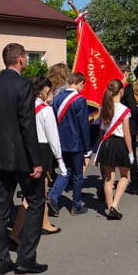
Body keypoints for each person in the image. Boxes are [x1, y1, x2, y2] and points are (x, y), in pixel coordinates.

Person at [0, 43, 46, 275]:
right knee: (36, 202)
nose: (26, 61)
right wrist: (36, 160)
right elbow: (27, 124)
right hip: (21, 155)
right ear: (20, 59)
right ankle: (26, 258)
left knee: (0, 207)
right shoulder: (23, 85)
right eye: (26, 58)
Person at [10, 77, 65, 240]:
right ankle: (15, 234)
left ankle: (45, 222)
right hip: (42, 149)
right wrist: (60, 160)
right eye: (49, 90)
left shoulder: (24, 107)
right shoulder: (46, 110)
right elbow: (53, 137)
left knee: (41, 189)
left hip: (26, 148)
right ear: (43, 90)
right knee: (34, 193)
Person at [47, 72, 91, 217]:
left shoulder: (57, 97)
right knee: (78, 175)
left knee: (65, 171)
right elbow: (83, 125)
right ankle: (76, 205)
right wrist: (88, 148)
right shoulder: (79, 100)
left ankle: (53, 196)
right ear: (80, 82)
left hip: (60, 141)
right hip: (76, 143)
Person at [96, 79, 133, 220]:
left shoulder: (104, 107)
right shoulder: (124, 110)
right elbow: (127, 134)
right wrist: (130, 152)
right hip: (119, 143)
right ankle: (114, 205)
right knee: (125, 176)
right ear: (121, 91)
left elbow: (101, 130)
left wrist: (98, 147)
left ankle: (109, 207)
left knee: (108, 178)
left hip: (106, 143)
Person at [118, 63, 138, 195]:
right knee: (131, 154)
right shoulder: (127, 88)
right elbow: (132, 108)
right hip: (129, 124)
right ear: (125, 73)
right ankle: (134, 184)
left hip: (115, 125)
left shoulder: (113, 86)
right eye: (128, 72)